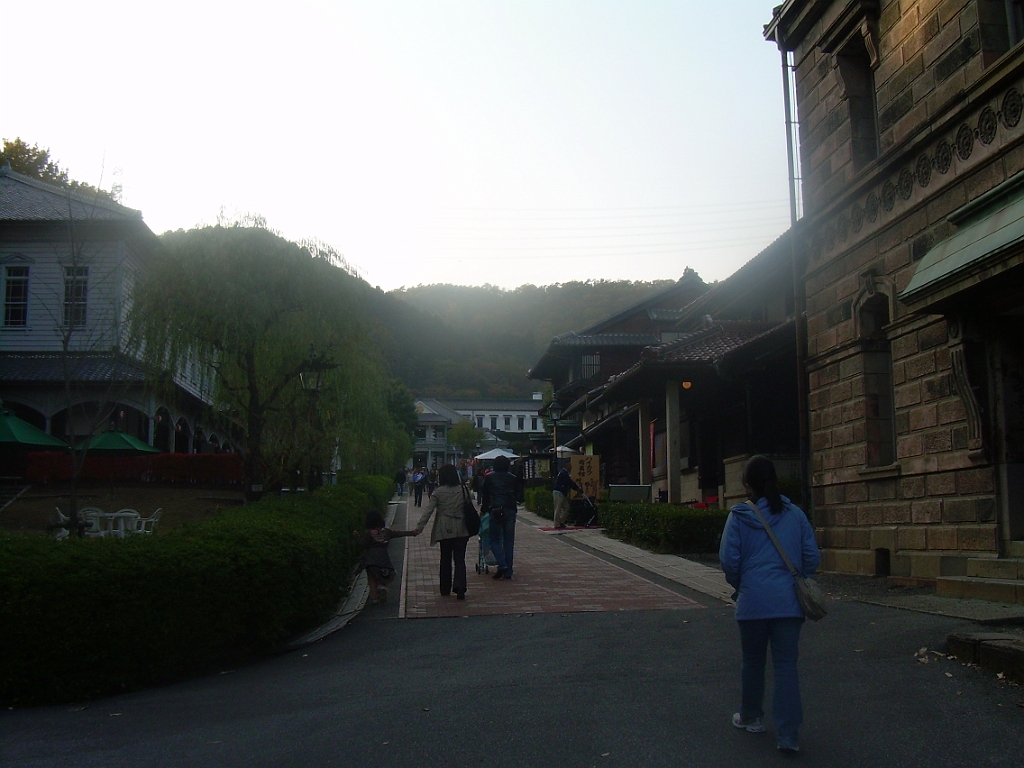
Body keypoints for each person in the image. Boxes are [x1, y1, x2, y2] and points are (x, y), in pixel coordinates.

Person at [719, 455, 820, 755]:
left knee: (752, 661)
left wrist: (743, 585)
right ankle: (788, 736)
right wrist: (797, 578)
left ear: (747, 484)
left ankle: (751, 716)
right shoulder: (796, 515)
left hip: (752, 603)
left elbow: (729, 561)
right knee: (786, 666)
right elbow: (812, 558)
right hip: (789, 604)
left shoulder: (738, 517)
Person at [415, 463, 471, 599]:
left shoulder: (438, 492)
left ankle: (445, 588)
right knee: (460, 559)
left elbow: (428, 511)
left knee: (445, 559)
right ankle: (460, 586)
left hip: (444, 528)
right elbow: (469, 507)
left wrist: (419, 527)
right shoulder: (463, 489)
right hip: (462, 527)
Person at [355, 511, 417, 605]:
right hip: (383, 559)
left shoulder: (368, 533)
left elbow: (363, 544)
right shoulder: (386, 532)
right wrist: (412, 532)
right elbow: (398, 533)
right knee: (382, 575)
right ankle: (382, 587)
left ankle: (375, 597)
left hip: (370, 560)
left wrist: (357, 537)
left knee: (371, 578)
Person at [480, 454, 522, 579]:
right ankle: (508, 570)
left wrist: (483, 510)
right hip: (510, 509)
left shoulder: (489, 478)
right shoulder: (513, 478)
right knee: (509, 541)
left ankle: (502, 564)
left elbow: (485, 496)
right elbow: (518, 495)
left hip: (495, 509)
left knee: (494, 539)